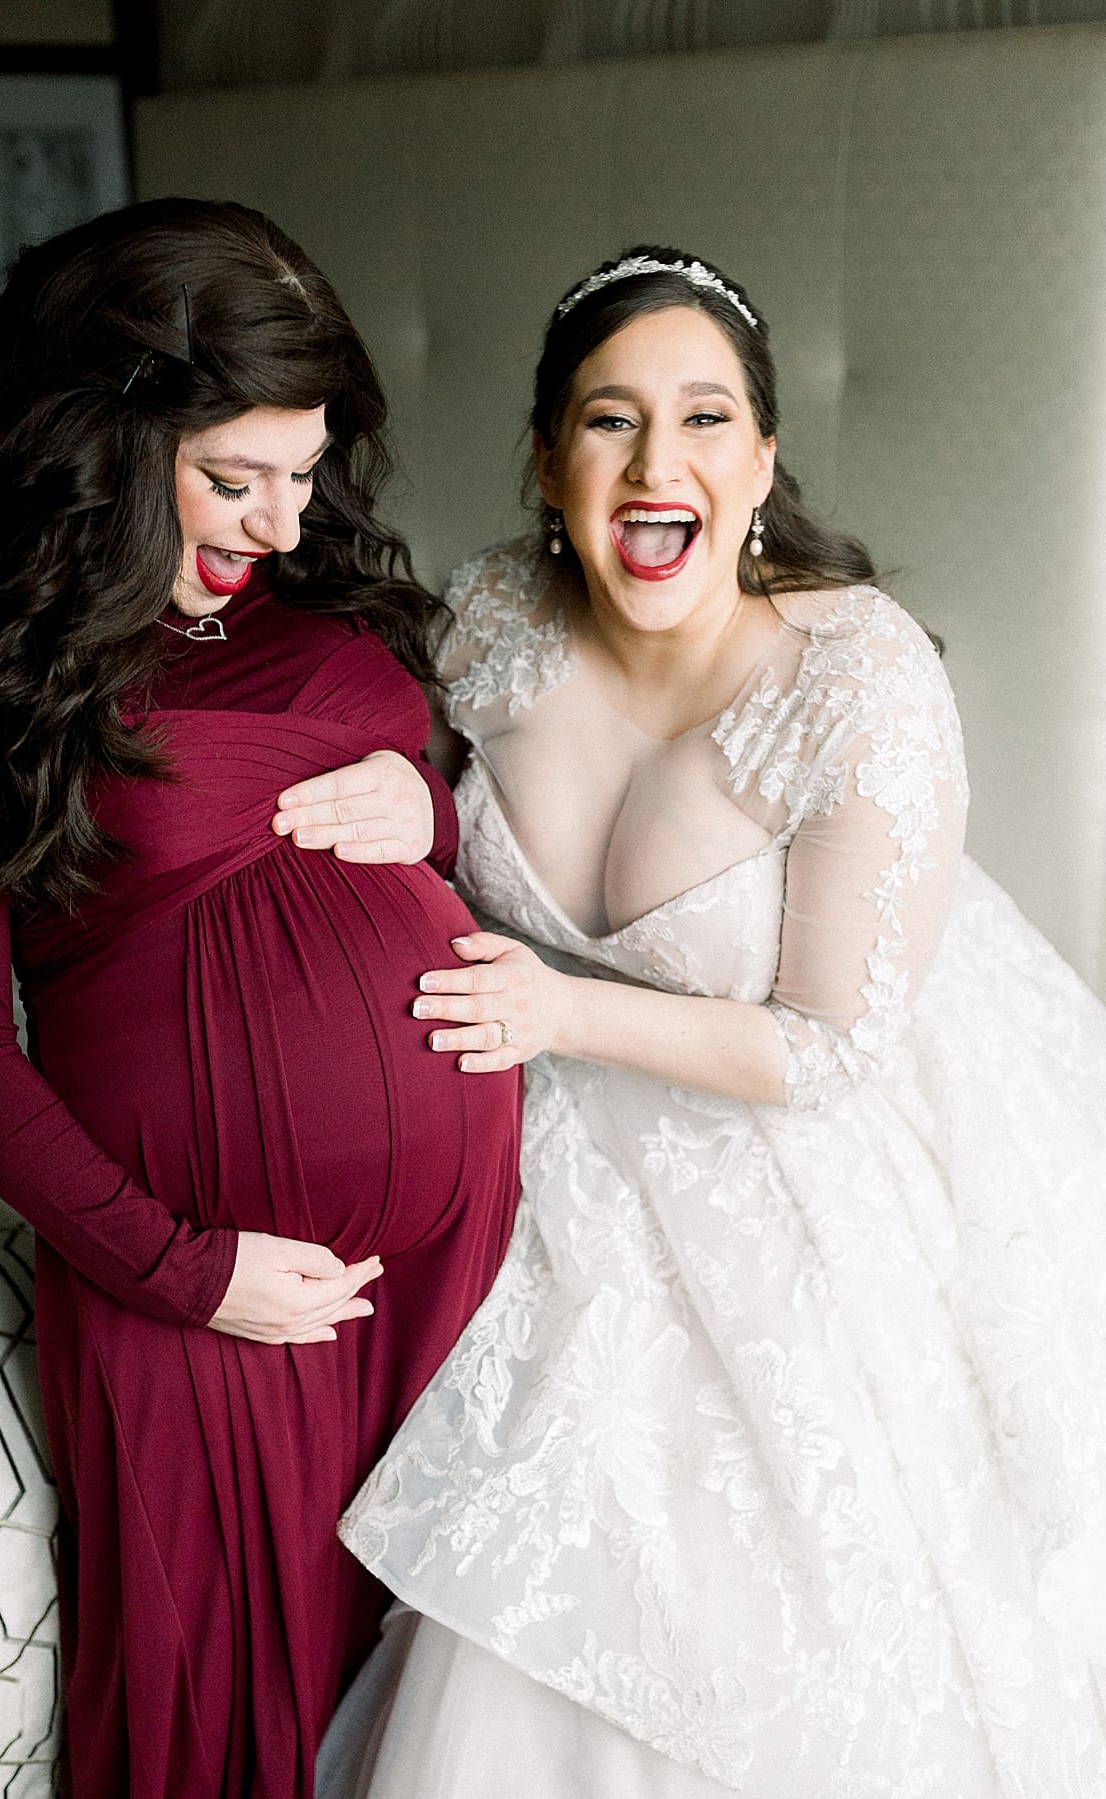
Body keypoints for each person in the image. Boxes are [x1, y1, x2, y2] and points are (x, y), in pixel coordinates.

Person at [306, 248, 1106, 1797]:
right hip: (531, 1147)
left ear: (760, 462)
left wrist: (560, 1010)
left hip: (787, 1158)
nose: (654, 461)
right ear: (549, 459)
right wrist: (414, 797)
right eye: (610, 420)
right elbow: (431, 797)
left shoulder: (857, 680)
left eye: (703, 418)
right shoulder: (490, 617)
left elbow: (834, 1047)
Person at [0, 198, 522, 1798]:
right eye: (234, 478)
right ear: (104, 450)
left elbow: (441, 807)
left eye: (306, 474)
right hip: (205, 1282)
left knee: (420, 1721)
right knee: (224, 1725)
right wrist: (182, 1270)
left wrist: (426, 803)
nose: (281, 521)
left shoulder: (309, 603)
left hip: (440, 1264)